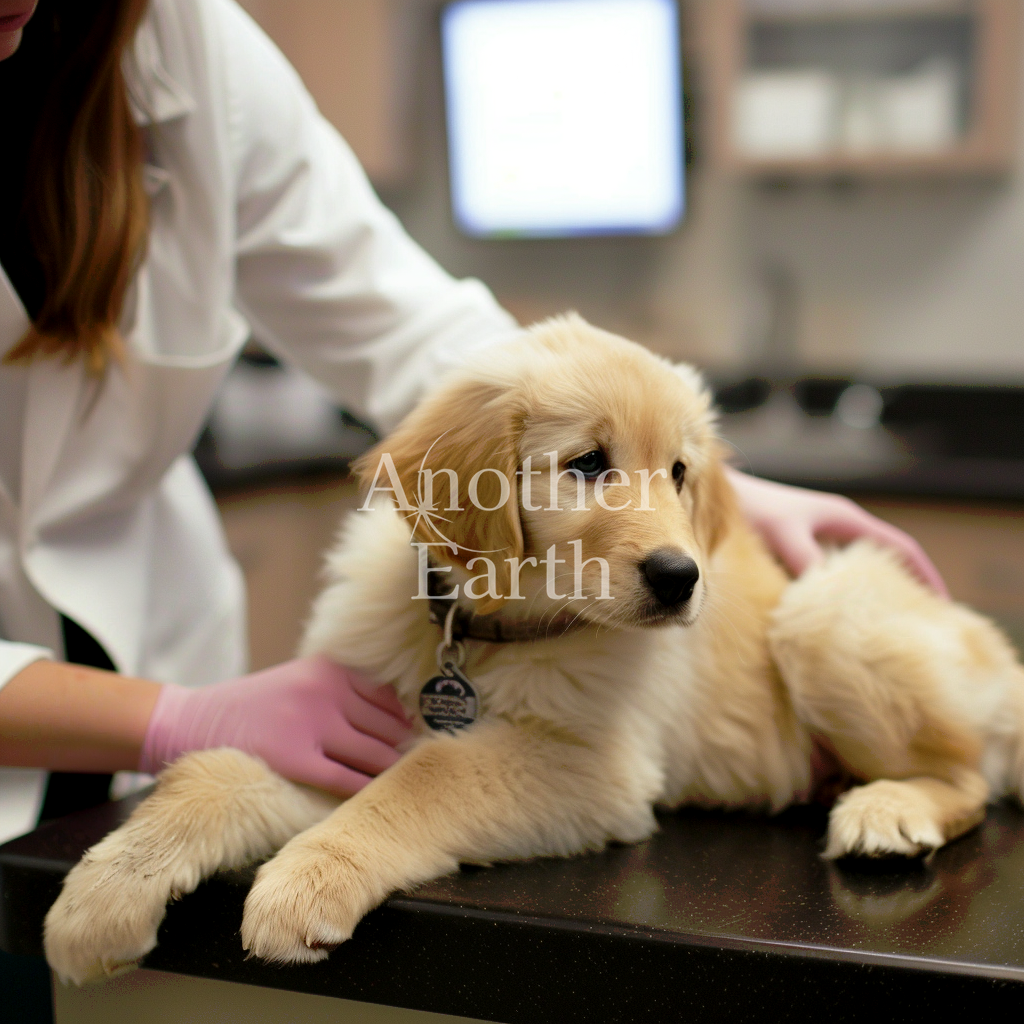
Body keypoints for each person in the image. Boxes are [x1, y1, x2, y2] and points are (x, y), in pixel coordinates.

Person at [0, 1, 945, 1016]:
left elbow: (403, 319)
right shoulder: (424, 545)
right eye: (585, 466)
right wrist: (177, 728)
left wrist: (694, 471)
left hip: (141, 625)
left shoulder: (181, 39)